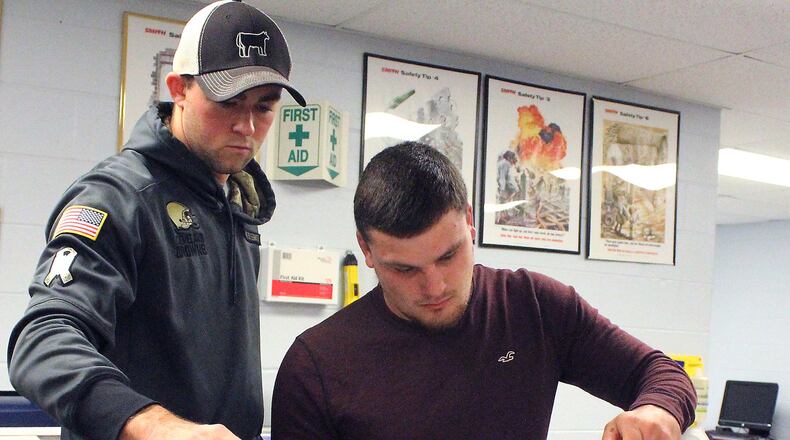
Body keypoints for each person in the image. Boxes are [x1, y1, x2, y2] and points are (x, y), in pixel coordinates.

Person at [6, 1, 305, 439]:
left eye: (263, 107)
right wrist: (153, 426)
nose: (246, 125)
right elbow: (42, 340)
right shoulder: (118, 196)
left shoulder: (237, 206)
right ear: (178, 89)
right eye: (228, 102)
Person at [271, 142, 696, 439]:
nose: (434, 286)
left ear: (470, 222)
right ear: (366, 249)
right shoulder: (316, 366)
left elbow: (663, 374)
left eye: (449, 255)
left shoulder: (535, 307)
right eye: (404, 268)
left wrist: (656, 410)